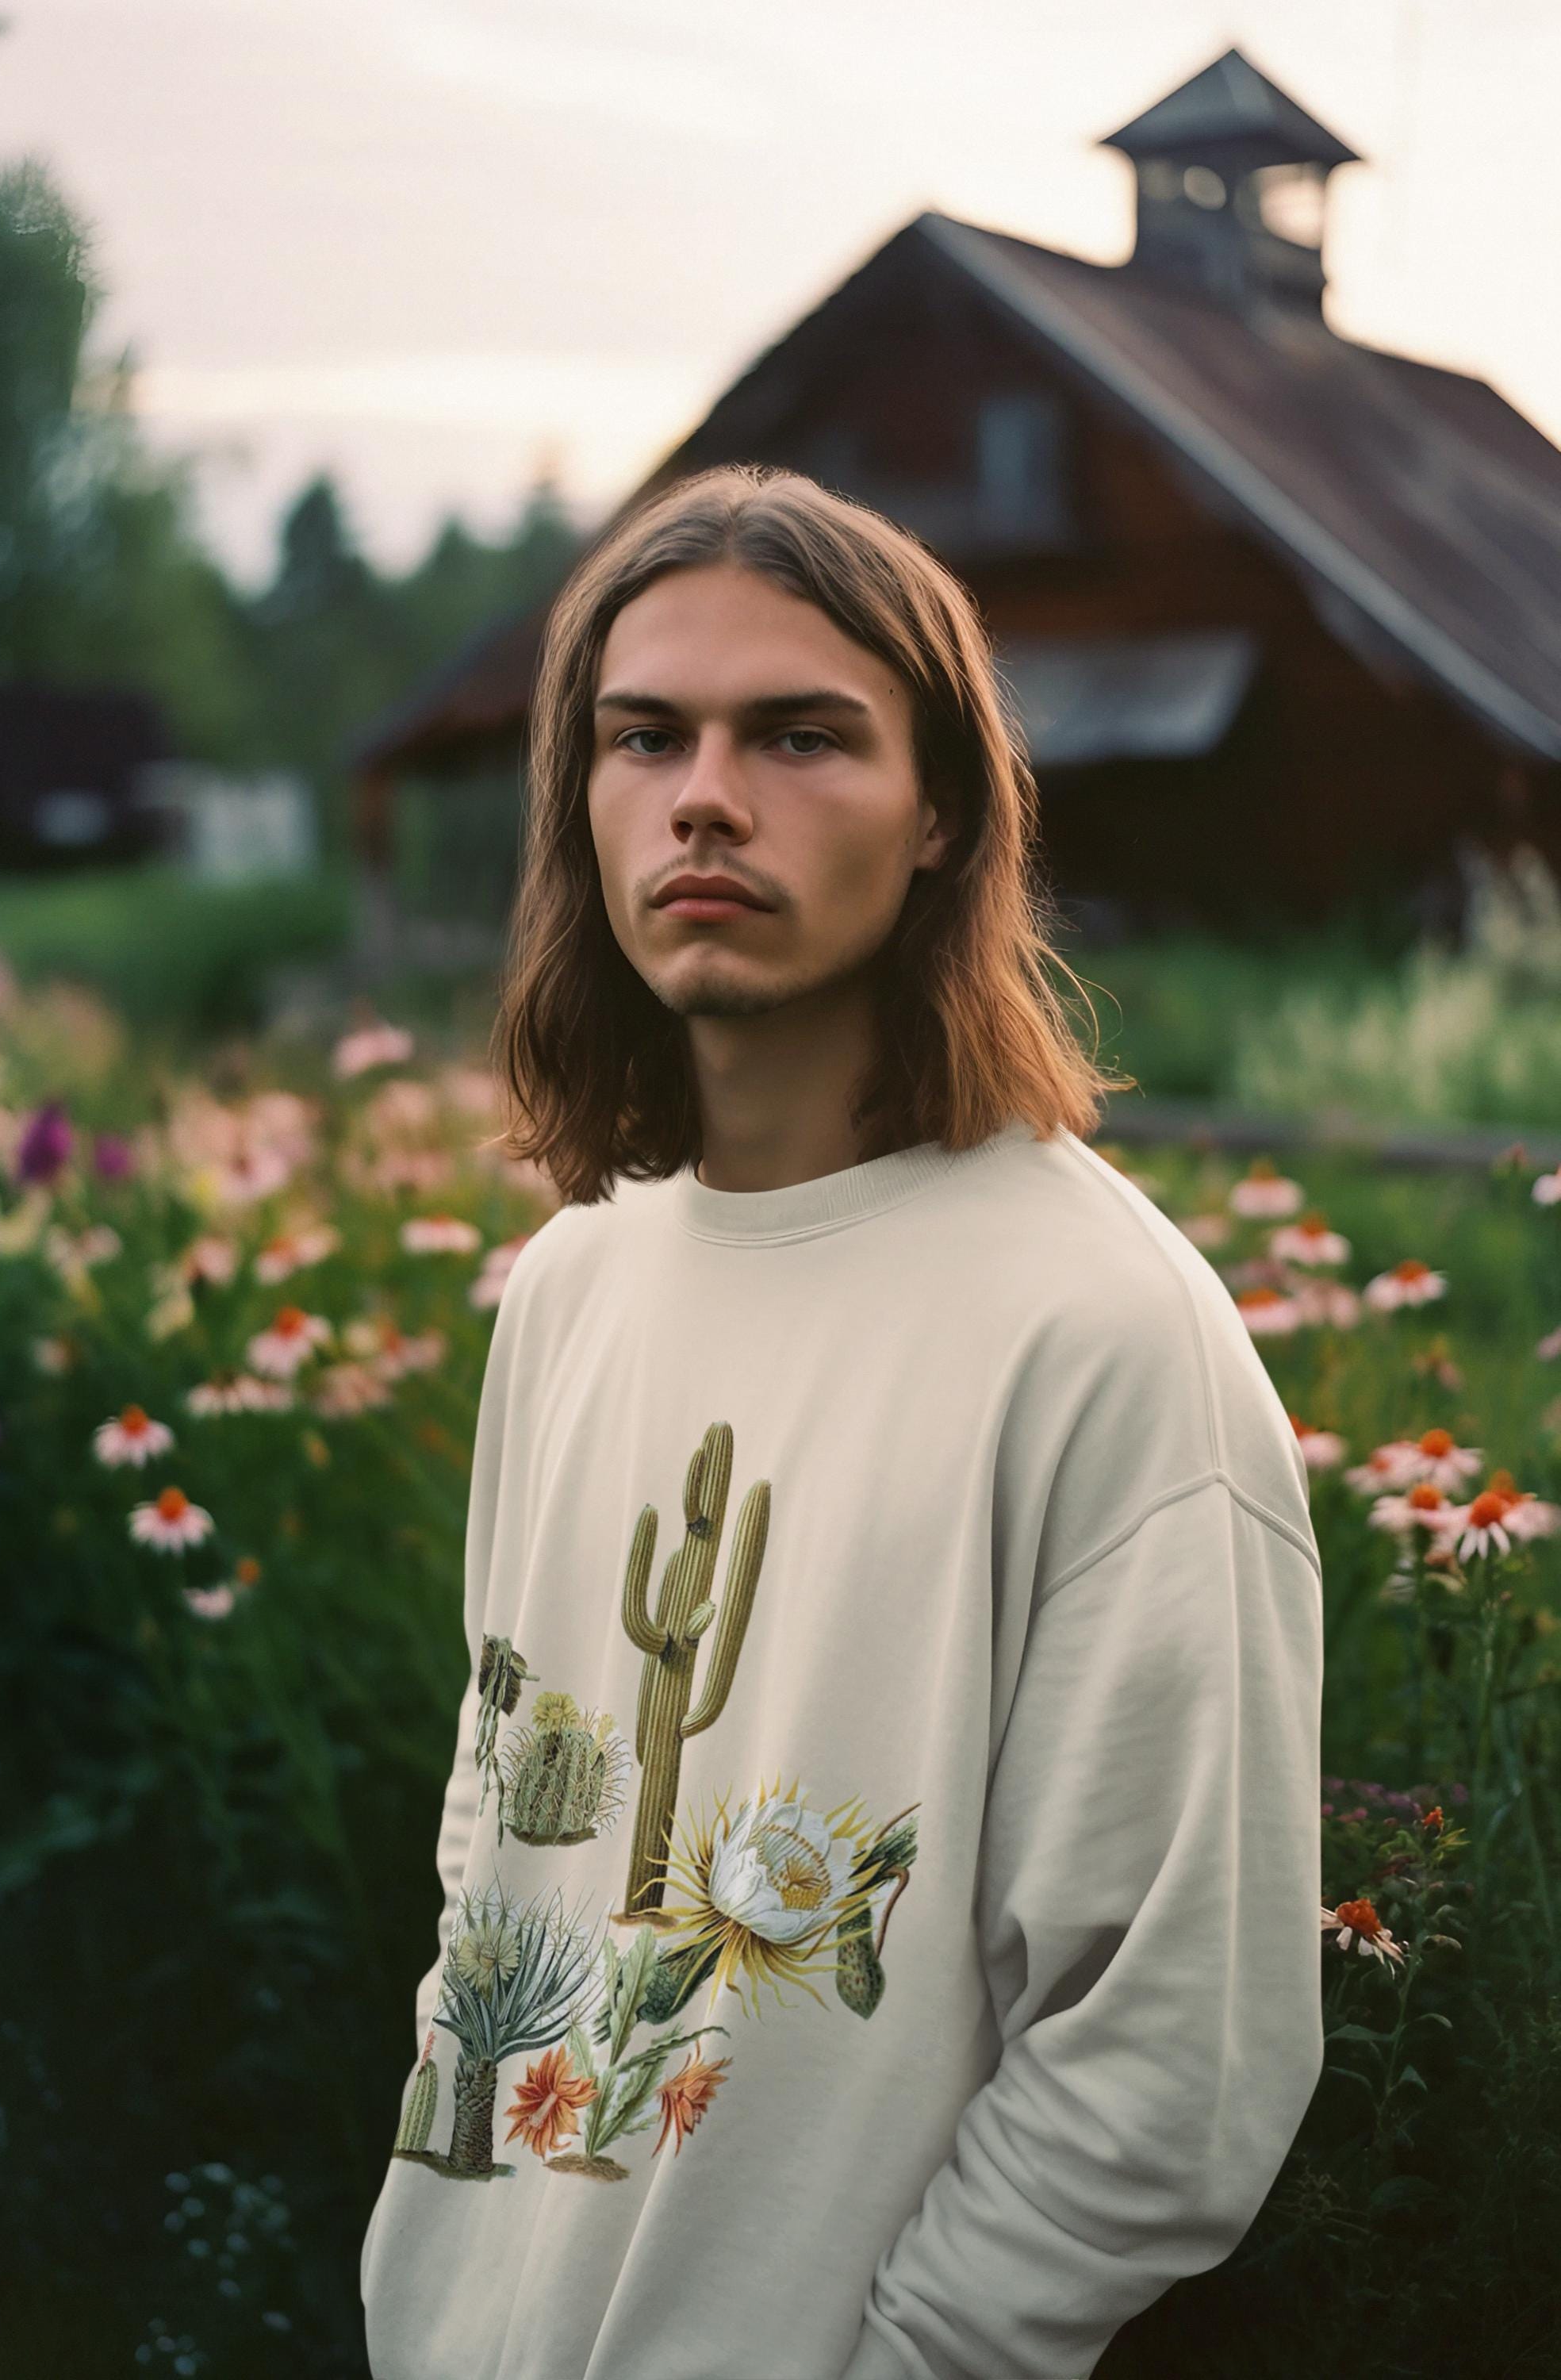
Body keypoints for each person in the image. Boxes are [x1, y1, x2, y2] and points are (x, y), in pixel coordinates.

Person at [359, 463, 1325, 2380]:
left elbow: (1171, 2053)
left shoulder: (1102, 1334)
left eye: (801, 735)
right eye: (646, 738)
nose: (706, 793)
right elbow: (498, 1825)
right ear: (583, 801)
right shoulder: (574, 1282)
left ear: (943, 810)